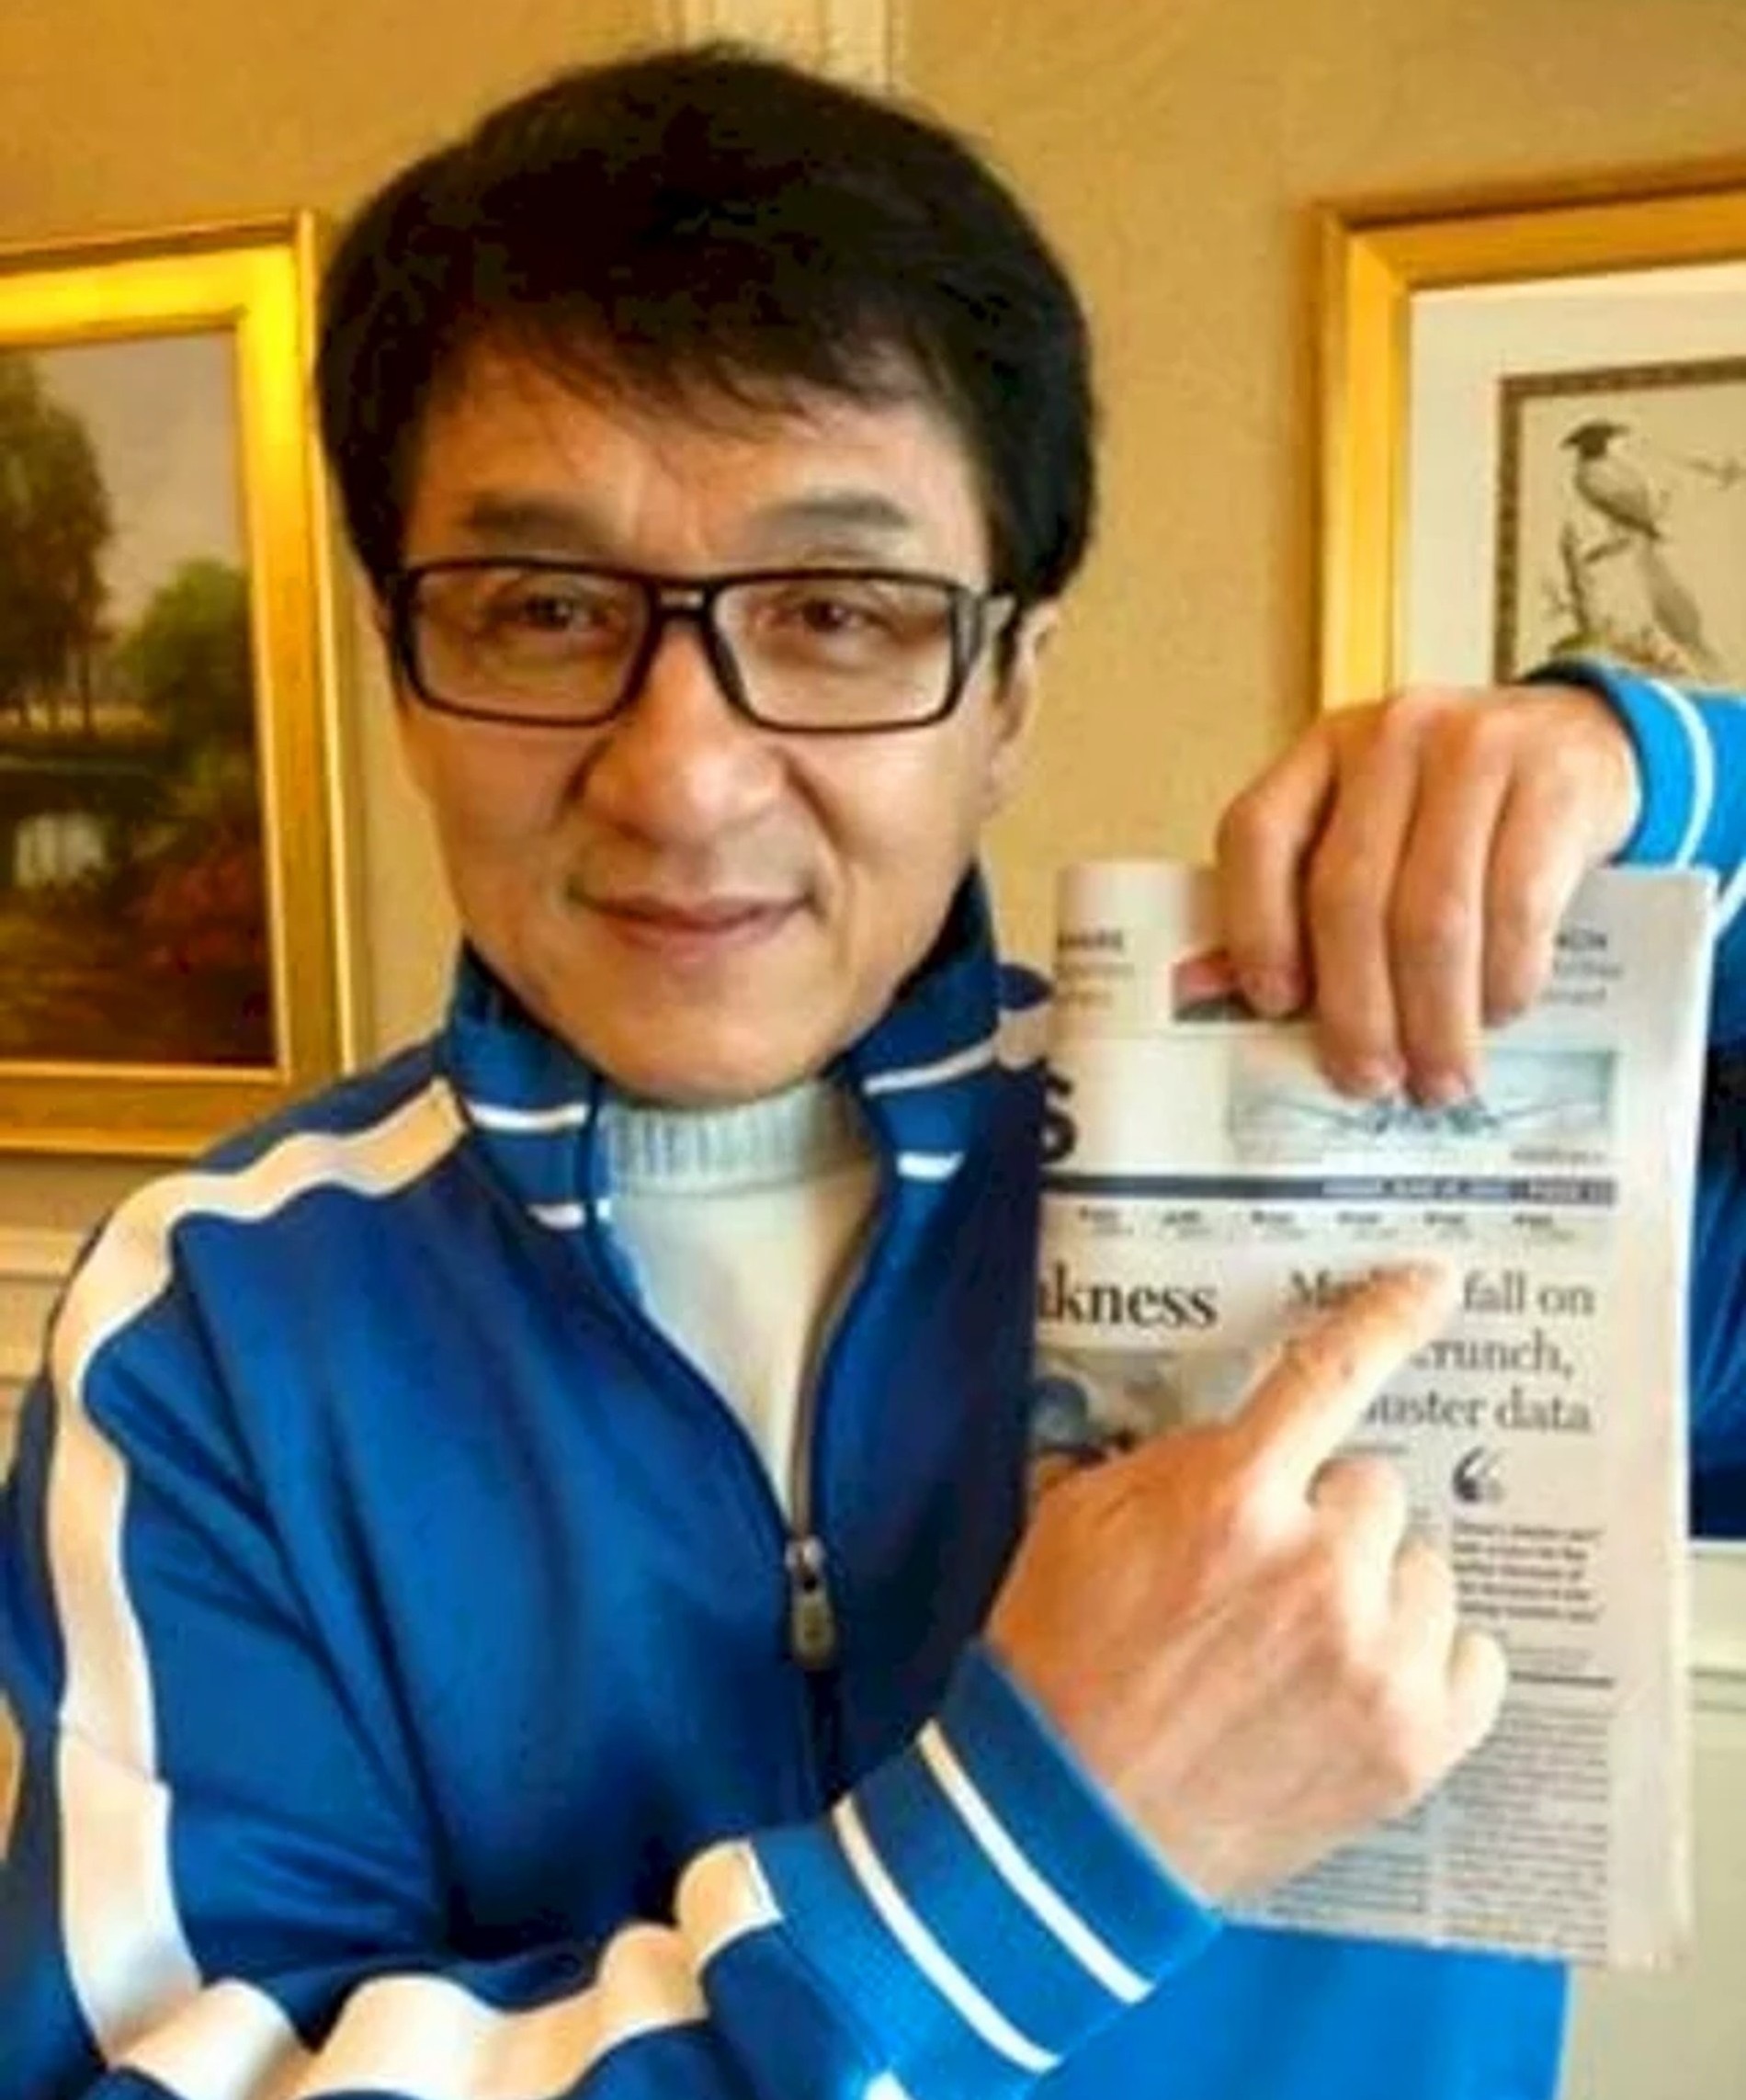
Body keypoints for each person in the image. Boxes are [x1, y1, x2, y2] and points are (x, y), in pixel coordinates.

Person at [2, 42, 1742, 2100]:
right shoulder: (217, 1327)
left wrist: (1680, 786)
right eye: (544, 608)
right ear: (403, 669)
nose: (682, 776)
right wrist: (1031, 1856)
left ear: (1009, 687)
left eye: (838, 610)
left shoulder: (1414, 1140)